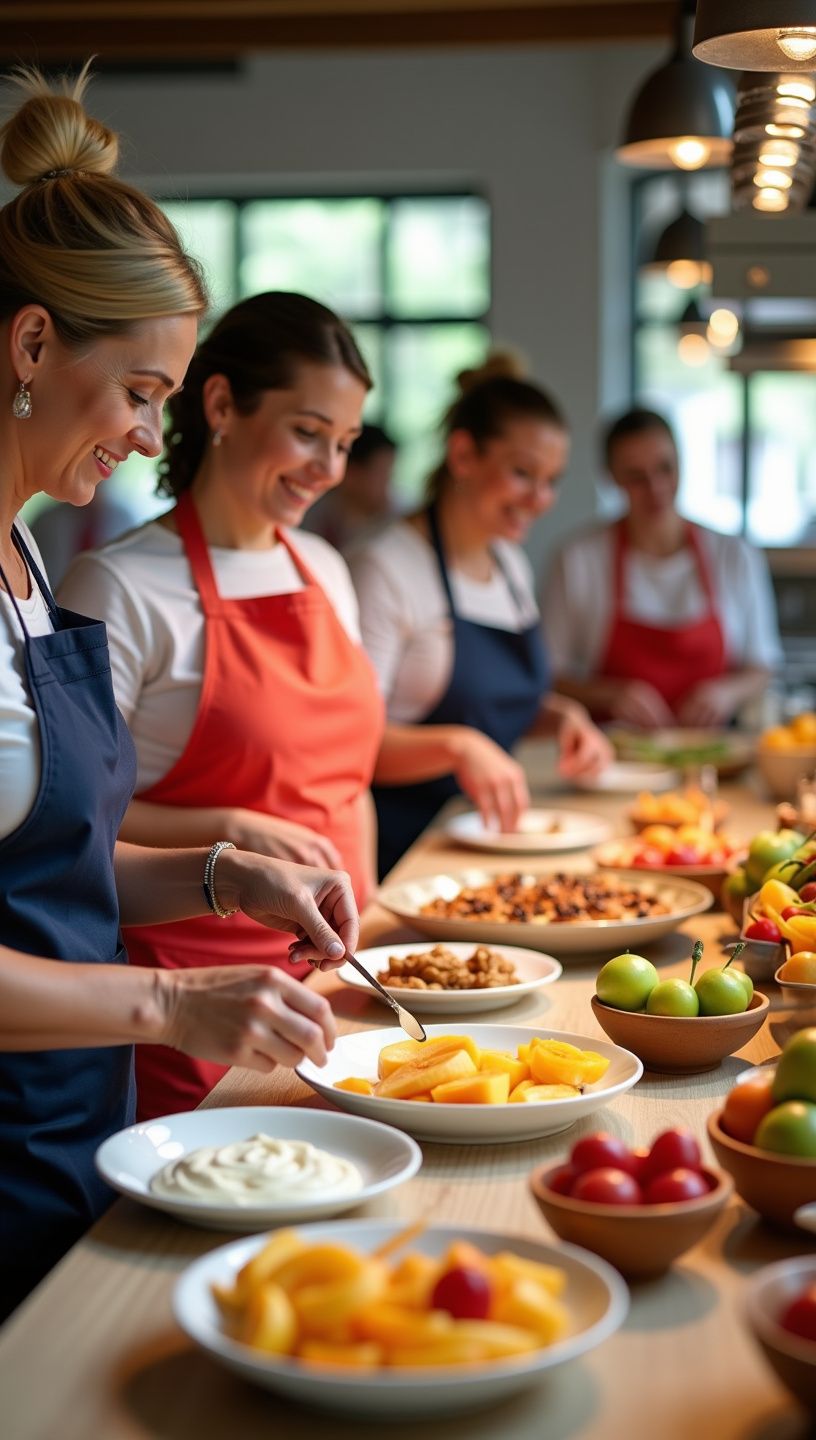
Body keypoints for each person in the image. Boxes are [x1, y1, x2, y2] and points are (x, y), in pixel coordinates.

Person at [0, 66, 359, 1318]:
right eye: (143, 395)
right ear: (33, 344)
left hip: (76, 1123)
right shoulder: (93, 571)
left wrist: (219, 873)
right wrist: (170, 997)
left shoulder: (29, 566)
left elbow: (60, 867)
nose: (152, 439)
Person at [60, 290, 384, 1121]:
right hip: (201, 1008)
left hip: (349, 982)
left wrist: (376, 936)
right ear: (220, 405)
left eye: (344, 443)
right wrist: (233, 825)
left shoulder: (325, 567)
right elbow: (75, 826)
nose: (330, 468)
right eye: (308, 432)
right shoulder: (119, 585)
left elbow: (350, 780)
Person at [349, 354, 611, 878]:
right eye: (522, 473)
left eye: (551, 480)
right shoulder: (386, 567)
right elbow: (353, 742)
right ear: (464, 455)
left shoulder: (509, 564)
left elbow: (496, 707)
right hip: (402, 853)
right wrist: (457, 747)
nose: (540, 499)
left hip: (486, 842)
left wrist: (559, 718)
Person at [543, 407, 781, 729]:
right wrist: (609, 695)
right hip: (614, 757)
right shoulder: (577, 559)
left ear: (682, 463)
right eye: (636, 477)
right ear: (611, 477)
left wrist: (725, 693)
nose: (655, 488)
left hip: (715, 751)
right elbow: (548, 675)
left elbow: (762, 665)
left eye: (665, 469)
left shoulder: (734, 555)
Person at [303, 422, 397, 554]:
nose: (388, 485)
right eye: (382, 475)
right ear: (351, 473)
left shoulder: (395, 521)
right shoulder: (312, 510)